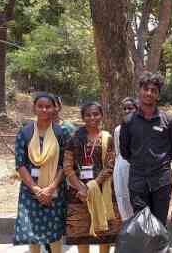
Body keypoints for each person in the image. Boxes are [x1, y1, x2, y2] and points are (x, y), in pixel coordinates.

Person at [119, 71, 172, 225]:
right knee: (141, 225)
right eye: (145, 89)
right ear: (139, 92)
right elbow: (125, 151)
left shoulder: (169, 121)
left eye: (153, 90)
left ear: (158, 95)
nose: (149, 93)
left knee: (159, 225)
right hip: (137, 181)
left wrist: (159, 162)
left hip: (161, 181)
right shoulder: (128, 121)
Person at [12, 92, 68, 253]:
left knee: (55, 230)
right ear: (34, 109)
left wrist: (51, 188)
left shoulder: (61, 133)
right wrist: (35, 188)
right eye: (40, 106)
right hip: (30, 190)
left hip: (55, 189)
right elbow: (20, 164)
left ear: (54, 109)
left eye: (48, 106)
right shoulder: (25, 133)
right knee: (32, 232)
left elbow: (64, 164)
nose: (44, 110)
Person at [63, 102, 121, 253]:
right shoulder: (74, 139)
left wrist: (92, 185)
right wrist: (81, 188)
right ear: (83, 117)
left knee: (105, 233)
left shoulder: (107, 138)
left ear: (101, 115)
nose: (92, 118)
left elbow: (110, 166)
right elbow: (68, 167)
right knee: (81, 233)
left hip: (104, 191)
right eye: (88, 115)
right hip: (78, 194)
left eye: (96, 114)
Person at [113, 97, 137, 220]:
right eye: (125, 108)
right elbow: (118, 152)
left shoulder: (142, 128)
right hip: (121, 168)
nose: (127, 110)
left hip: (137, 169)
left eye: (130, 108)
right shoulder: (118, 130)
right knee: (123, 197)